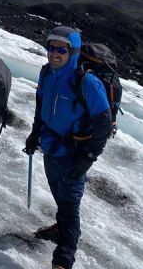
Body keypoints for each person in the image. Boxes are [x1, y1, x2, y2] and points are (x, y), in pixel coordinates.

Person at [24, 26, 113, 269]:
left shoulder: (86, 83)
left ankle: (63, 259)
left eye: (61, 49)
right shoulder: (47, 73)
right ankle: (61, 228)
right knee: (59, 195)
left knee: (69, 206)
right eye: (51, 48)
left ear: (72, 52)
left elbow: (103, 124)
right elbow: (41, 104)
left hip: (74, 153)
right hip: (51, 147)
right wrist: (35, 132)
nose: (54, 53)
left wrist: (87, 158)